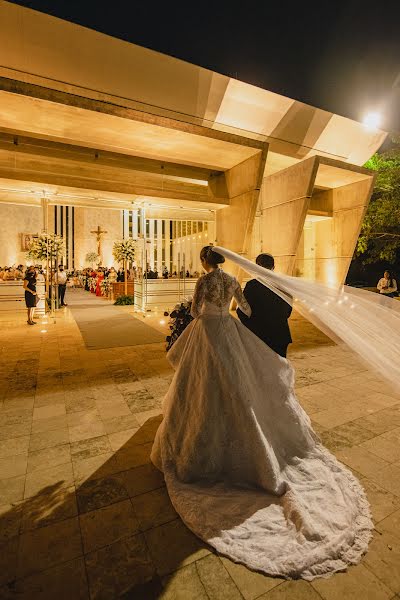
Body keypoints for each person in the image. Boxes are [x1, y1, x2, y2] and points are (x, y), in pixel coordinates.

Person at [151, 245, 372, 580]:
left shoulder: (204, 280)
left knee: (200, 384)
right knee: (240, 382)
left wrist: (207, 313)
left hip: (209, 333)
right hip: (228, 331)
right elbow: (246, 308)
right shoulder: (236, 281)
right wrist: (229, 314)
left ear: (205, 261)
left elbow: (196, 311)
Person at [237, 253, 292, 357]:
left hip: (258, 334)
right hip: (280, 333)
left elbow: (242, 311)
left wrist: (250, 326)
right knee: (280, 368)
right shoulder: (283, 285)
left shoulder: (252, 285)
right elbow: (288, 310)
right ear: (274, 267)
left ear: (257, 266)